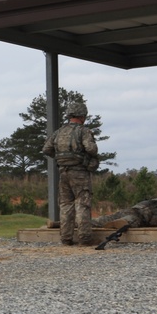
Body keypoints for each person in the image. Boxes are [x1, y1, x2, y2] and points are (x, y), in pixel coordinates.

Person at [43, 101, 99, 245]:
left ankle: (66, 238)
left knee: (66, 205)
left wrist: (61, 157)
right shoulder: (83, 131)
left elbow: (46, 149)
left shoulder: (59, 132)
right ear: (82, 115)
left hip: (63, 173)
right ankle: (85, 238)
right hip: (80, 173)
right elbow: (91, 149)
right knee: (82, 203)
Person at [92, 190, 157, 229]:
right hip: (138, 217)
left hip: (130, 210)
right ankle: (120, 223)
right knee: (128, 221)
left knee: (100, 220)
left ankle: (81, 223)